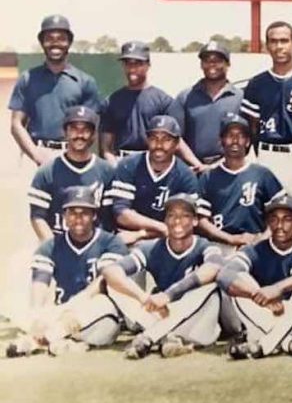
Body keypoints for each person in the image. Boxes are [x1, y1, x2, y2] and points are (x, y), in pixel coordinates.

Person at [5, 186, 127, 357]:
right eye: (72, 213)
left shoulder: (111, 242)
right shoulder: (51, 245)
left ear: (94, 215)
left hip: (98, 311)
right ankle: (61, 342)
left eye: (84, 213)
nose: (78, 218)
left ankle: (38, 341)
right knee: (18, 309)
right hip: (60, 312)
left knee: (105, 322)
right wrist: (37, 315)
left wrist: (74, 308)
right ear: (64, 217)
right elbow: (39, 283)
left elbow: (103, 282)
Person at [102, 193, 225, 359]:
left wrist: (169, 294)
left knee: (210, 285)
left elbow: (213, 268)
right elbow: (111, 271)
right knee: (114, 284)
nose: (177, 221)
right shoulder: (152, 248)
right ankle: (167, 338)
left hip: (196, 324)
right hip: (162, 314)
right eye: (172, 215)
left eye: (185, 216)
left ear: (195, 221)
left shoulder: (205, 246)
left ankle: (151, 337)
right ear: (165, 220)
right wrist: (144, 297)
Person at [217, 194, 292, 358]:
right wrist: (258, 295)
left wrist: (278, 289)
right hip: (265, 317)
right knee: (238, 283)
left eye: (287, 219)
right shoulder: (255, 250)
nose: (279, 225)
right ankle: (288, 344)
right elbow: (224, 275)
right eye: (274, 219)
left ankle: (265, 345)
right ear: (268, 223)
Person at [240, 21, 292, 199]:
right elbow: (252, 129)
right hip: (267, 154)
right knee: (266, 210)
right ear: (267, 46)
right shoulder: (257, 83)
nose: (279, 46)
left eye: (284, 41)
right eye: (273, 41)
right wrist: (262, 153)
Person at [9, 14, 101, 169]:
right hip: (34, 153)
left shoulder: (85, 81)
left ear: (69, 42)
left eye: (61, 38)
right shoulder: (28, 78)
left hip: (72, 155)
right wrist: (37, 155)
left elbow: (91, 127)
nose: (55, 43)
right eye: (49, 38)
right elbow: (16, 124)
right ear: (42, 42)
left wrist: (74, 156)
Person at [100, 41, 200, 167]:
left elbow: (176, 140)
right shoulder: (112, 101)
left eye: (138, 64)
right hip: (122, 162)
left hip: (154, 163)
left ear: (148, 65)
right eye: (128, 64)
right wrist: (115, 166)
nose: (132, 69)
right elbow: (106, 147)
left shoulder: (163, 100)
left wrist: (197, 164)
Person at [196, 114, 285, 248]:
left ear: (248, 141)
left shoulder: (262, 174)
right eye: (230, 135)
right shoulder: (208, 177)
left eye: (241, 135)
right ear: (221, 141)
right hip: (220, 243)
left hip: (256, 244)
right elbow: (201, 221)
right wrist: (230, 239)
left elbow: (281, 212)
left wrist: (261, 239)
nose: (235, 140)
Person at [107, 115, 199, 244]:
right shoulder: (129, 165)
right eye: (154, 138)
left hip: (168, 241)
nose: (159, 145)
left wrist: (141, 234)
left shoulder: (186, 175)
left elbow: (185, 224)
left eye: (166, 139)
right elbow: (121, 214)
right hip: (128, 238)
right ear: (147, 140)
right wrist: (160, 227)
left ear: (176, 143)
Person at [28, 106, 114, 242]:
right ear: (65, 132)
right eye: (74, 129)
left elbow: (108, 219)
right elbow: (38, 217)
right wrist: (53, 249)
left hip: (95, 247)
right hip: (57, 242)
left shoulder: (106, 171)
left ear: (93, 135)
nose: (79, 135)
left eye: (85, 130)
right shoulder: (46, 172)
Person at [169, 40, 243, 168]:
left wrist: (219, 164)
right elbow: (175, 137)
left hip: (230, 167)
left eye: (218, 60)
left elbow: (246, 138)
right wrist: (198, 165)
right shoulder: (185, 97)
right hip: (192, 169)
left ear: (228, 64)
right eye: (207, 60)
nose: (212, 64)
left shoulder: (240, 97)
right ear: (201, 65)